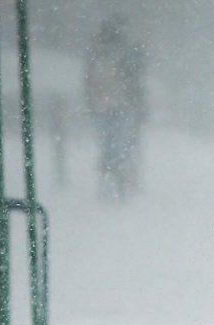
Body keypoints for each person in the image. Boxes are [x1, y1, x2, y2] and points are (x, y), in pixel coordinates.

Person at [84, 16, 146, 199]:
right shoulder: (125, 53)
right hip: (118, 105)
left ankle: (112, 178)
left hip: (106, 106)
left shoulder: (100, 53)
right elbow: (134, 80)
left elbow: (89, 80)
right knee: (119, 145)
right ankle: (117, 178)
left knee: (111, 145)